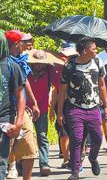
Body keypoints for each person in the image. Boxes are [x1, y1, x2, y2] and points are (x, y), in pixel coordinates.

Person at [58, 38, 107, 180]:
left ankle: (93, 159)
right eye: (94, 48)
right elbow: (62, 91)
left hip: (93, 108)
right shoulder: (70, 66)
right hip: (75, 108)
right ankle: (74, 171)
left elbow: (102, 85)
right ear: (85, 51)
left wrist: (106, 106)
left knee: (98, 138)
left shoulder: (98, 62)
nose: (96, 50)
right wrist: (60, 113)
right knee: (76, 140)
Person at [5, 31, 38, 180]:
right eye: (23, 42)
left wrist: (34, 102)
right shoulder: (5, 62)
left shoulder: (21, 61)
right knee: (7, 142)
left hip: (21, 107)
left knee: (29, 145)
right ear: (17, 43)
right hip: (5, 108)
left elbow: (24, 83)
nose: (25, 45)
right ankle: (11, 166)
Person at [25, 50, 62, 177]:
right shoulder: (25, 68)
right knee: (22, 137)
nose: (39, 65)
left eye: (42, 62)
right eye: (37, 63)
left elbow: (59, 85)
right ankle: (19, 165)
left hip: (42, 109)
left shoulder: (49, 70)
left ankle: (44, 164)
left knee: (42, 137)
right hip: (25, 109)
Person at [0, 33, 26, 180]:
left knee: (1, 162)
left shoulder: (12, 66)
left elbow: (20, 95)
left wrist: (19, 121)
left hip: (4, 120)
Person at [51, 43, 77, 170]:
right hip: (62, 103)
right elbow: (56, 90)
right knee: (63, 132)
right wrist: (52, 109)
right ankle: (66, 159)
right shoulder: (57, 69)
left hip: (76, 103)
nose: (66, 58)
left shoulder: (78, 67)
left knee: (77, 132)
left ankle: (76, 157)